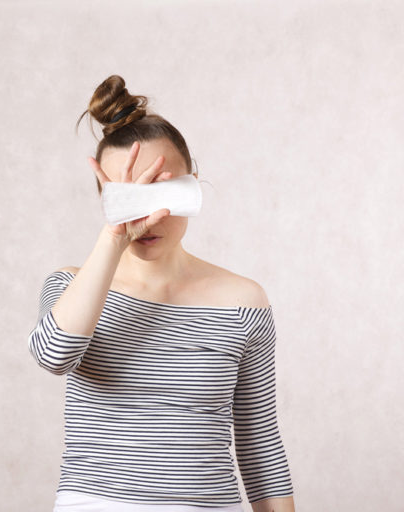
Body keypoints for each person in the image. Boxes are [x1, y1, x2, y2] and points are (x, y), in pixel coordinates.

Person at [27, 75, 296, 512]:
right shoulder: (70, 287)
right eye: (125, 197)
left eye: (161, 192)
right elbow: (53, 355)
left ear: (192, 185)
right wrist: (114, 236)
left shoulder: (244, 302)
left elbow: (259, 440)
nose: (147, 218)